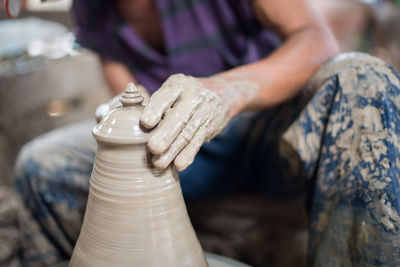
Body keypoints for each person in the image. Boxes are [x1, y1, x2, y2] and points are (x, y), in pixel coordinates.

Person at [14, 0, 400, 266]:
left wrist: (230, 91)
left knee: (363, 80)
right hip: (182, 144)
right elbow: (131, 95)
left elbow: (317, 41)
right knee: (40, 164)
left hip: (265, 123)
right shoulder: (92, 6)